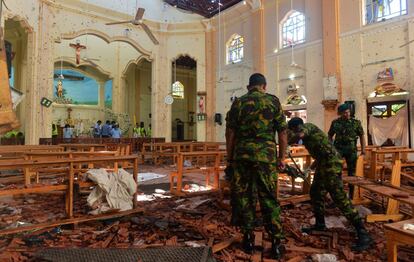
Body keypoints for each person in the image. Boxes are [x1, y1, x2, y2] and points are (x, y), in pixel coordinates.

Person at [225, 73, 287, 259]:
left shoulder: (238, 103)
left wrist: (230, 159)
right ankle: (276, 243)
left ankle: (248, 239)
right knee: (268, 198)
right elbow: (283, 134)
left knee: (245, 197)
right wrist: (282, 158)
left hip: (242, 156)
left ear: (248, 87)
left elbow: (230, 134)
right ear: (264, 86)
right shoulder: (273, 102)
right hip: (266, 157)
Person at [287, 117, 373, 251]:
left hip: (332, 165)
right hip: (324, 164)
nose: (292, 133)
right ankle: (320, 224)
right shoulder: (308, 138)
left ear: (295, 128)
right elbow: (321, 154)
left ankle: (363, 233)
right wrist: (309, 169)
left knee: (339, 198)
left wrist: (285, 141)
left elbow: (300, 134)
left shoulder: (308, 127)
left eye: (291, 131)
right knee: (315, 193)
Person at [328, 103, 365, 198]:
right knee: (337, 171)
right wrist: (331, 147)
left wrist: (363, 149)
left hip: (351, 150)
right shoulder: (335, 123)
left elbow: (361, 136)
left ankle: (352, 195)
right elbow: (330, 135)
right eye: (344, 113)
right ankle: (338, 194)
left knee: (352, 172)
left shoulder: (356, 122)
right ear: (340, 113)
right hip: (338, 150)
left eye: (348, 112)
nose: (347, 114)